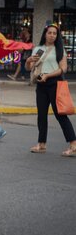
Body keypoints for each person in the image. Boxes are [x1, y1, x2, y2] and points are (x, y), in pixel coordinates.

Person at [25, 24, 76, 156]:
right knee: (41, 115)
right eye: (50, 33)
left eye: (54, 33)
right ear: (45, 34)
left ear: (57, 35)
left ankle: (74, 144)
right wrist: (28, 61)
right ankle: (41, 144)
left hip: (55, 83)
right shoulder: (38, 49)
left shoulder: (59, 49)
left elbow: (63, 68)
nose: (52, 35)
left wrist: (48, 75)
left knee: (60, 115)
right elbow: (29, 68)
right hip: (41, 84)